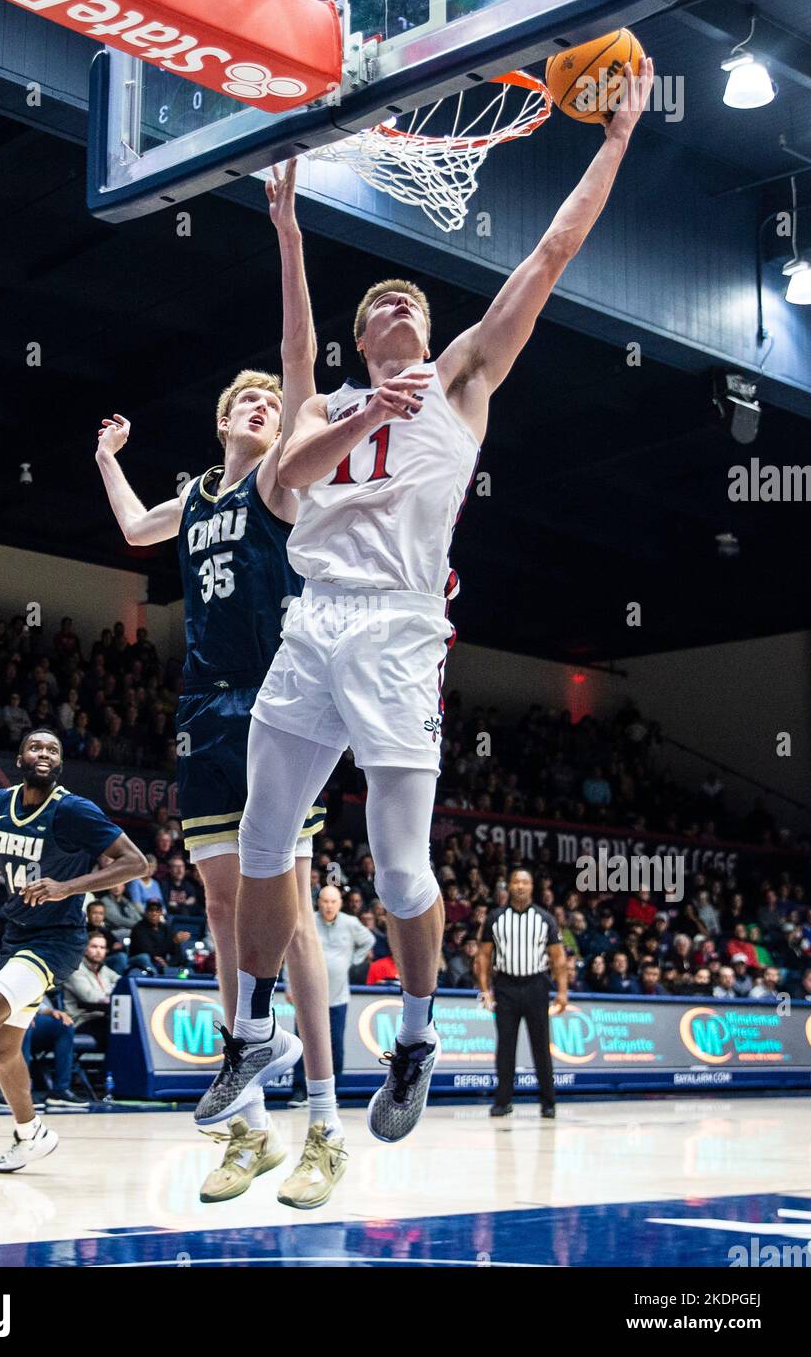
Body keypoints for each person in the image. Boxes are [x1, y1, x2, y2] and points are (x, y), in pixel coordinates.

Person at [207, 59, 653, 1146]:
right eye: (379, 306)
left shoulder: (459, 382)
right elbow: (289, 391)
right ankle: (250, 1029)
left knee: (399, 862)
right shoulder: (328, 401)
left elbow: (546, 258)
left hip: (402, 631)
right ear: (364, 341)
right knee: (264, 843)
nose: (397, 303)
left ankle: (413, 1038)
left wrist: (615, 140)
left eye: (407, 296)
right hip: (310, 625)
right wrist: (289, 228)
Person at [98, 162, 344, 1209]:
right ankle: (244, 1124)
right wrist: (107, 456)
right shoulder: (196, 499)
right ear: (217, 423)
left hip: (283, 701)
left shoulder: (280, 480)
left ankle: (325, 1122)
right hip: (204, 713)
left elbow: (296, 366)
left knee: (287, 916)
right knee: (216, 901)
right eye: (239, 399)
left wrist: (285, 232)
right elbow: (129, 529)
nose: (258, 403)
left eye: (267, 401)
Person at [0, 727, 148, 1187]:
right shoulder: (1, 802)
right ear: (20, 757)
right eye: (35, 746)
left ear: (60, 762)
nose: (44, 753)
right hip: (17, 936)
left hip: (57, 940)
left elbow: (136, 862)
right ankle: (31, 1133)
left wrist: (67, 887)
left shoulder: (73, 810)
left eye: (53, 749)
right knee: (3, 1049)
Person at [476, 869, 567, 1119]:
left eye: (525, 882)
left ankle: (549, 1102)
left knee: (541, 1046)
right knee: (505, 1046)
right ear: (509, 886)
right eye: (516, 881)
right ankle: (503, 1101)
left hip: (537, 985)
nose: (520, 886)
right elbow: (483, 956)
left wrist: (562, 992)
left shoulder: (545, 918)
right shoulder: (495, 918)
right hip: (505, 986)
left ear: (532, 886)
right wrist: (485, 989)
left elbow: (558, 958)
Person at [288, 886, 374, 1105]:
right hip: (307, 995)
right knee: (303, 1043)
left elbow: (369, 941)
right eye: (325, 901)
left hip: (337, 997)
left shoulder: (350, 923)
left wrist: (353, 961)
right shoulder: (307, 921)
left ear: (340, 903)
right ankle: (300, 1091)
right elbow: (292, 952)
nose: (328, 905)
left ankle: (330, 1092)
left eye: (333, 902)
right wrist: (289, 985)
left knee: (335, 1044)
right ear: (319, 903)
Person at [63, 932, 120, 1051]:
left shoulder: (104, 970)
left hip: (103, 1018)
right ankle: (110, 1069)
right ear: (84, 949)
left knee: (126, 1028)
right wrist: (112, 994)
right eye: (94, 946)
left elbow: (122, 984)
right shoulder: (75, 970)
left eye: (102, 947)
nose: (99, 951)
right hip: (81, 1021)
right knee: (117, 1032)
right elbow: (90, 997)